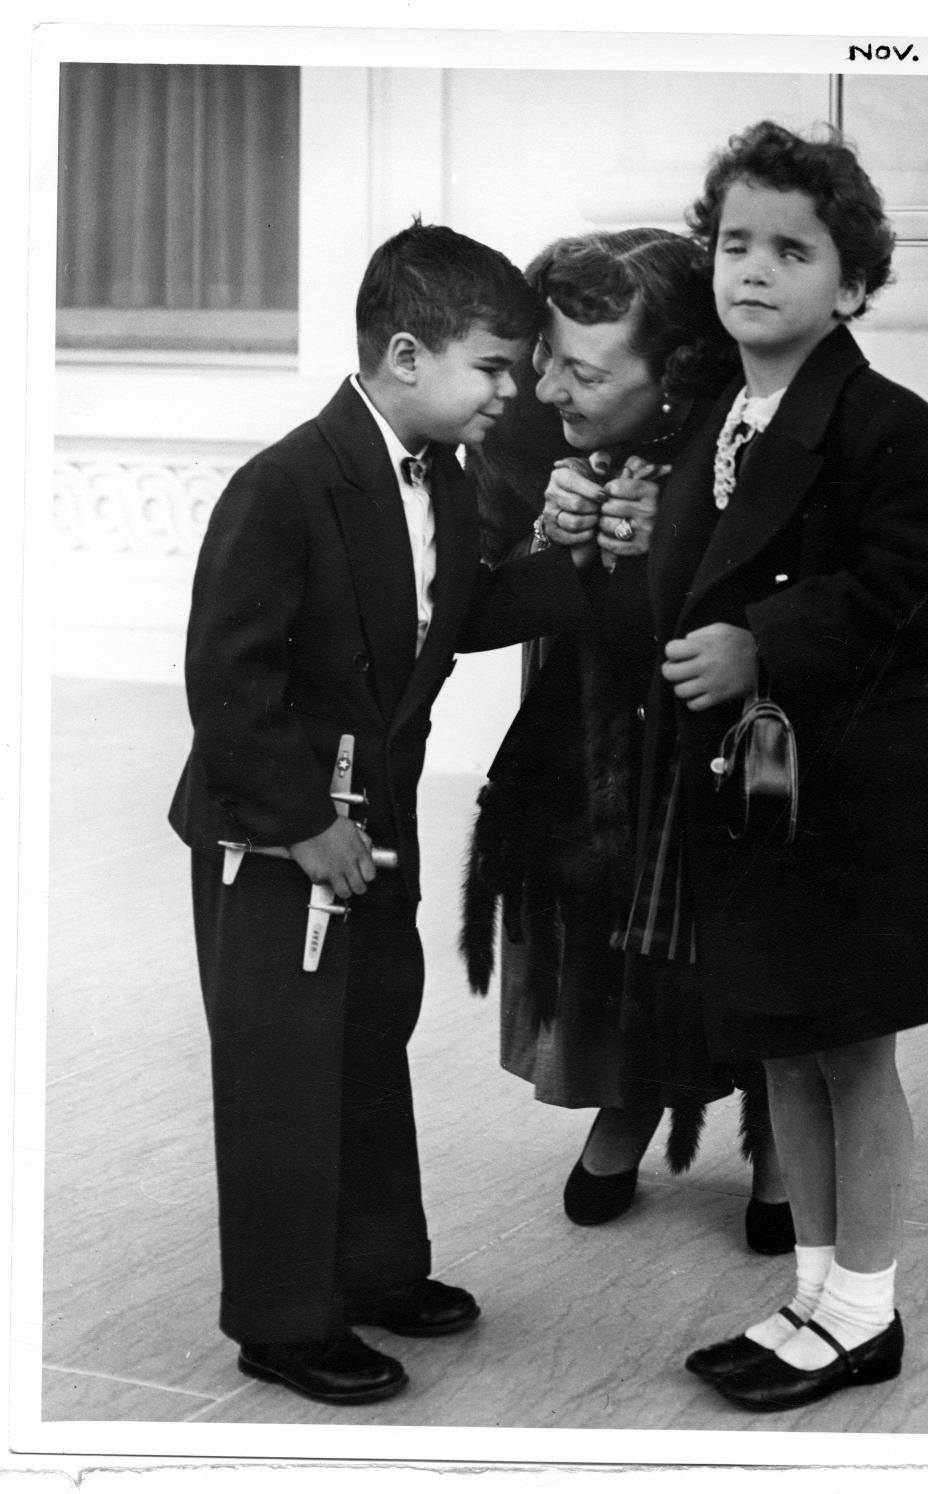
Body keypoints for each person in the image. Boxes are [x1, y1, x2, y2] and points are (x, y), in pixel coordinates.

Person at [613, 122, 928, 1413]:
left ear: (855, 283)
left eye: (792, 249)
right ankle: (813, 1294)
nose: (752, 268)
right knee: (788, 1046)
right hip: (764, 795)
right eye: (735, 242)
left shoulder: (891, 426)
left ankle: (864, 1309)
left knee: (852, 1049)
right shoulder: (721, 416)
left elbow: (914, 588)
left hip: (863, 783)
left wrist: (759, 644)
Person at [168, 221, 596, 1408]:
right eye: (494, 368)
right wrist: (307, 825)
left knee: (366, 1049)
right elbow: (228, 686)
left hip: (376, 829)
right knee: (281, 1073)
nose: (513, 395)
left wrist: (582, 560)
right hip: (278, 841)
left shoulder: (440, 481)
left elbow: (452, 611)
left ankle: (372, 1270)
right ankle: (281, 1320)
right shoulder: (286, 484)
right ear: (407, 355)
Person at [460, 229, 795, 1253]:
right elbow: (463, 606)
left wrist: (680, 538)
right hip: (594, 733)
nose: (545, 385)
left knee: (755, 920)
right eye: (543, 357)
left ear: (678, 374)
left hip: (738, 745)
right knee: (605, 911)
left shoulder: (760, 427)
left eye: (584, 370)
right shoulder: (520, 427)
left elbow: (816, 592)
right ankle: (628, 1096)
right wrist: (546, 540)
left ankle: (782, 1127)